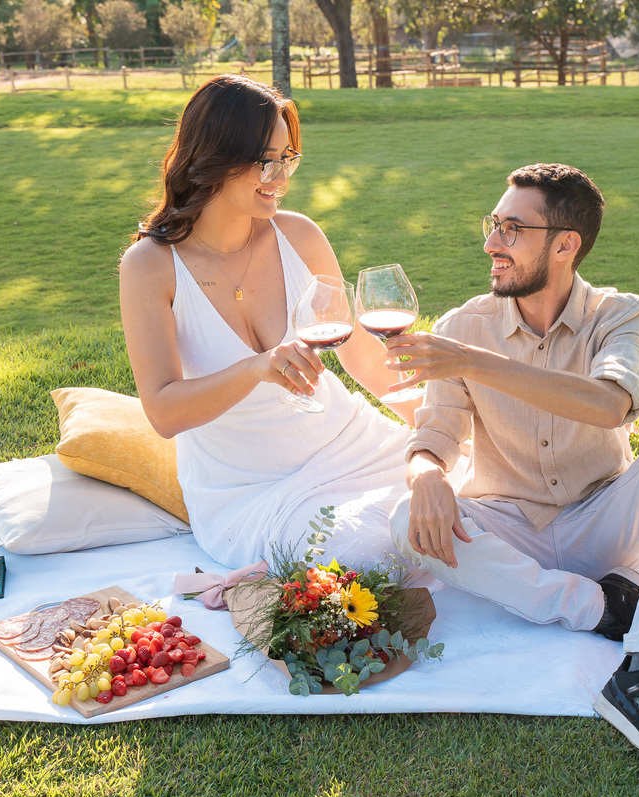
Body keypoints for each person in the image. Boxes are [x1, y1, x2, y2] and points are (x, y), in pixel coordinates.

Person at [385, 164, 639, 783]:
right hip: (511, 526)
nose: (492, 243)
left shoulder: (619, 313)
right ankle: (604, 609)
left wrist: (474, 363)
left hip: (604, 522)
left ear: (565, 244)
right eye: (494, 225)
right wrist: (426, 474)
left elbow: (609, 403)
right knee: (404, 519)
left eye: (513, 229)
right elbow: (433, 440)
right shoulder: (464, 326)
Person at [119, 74, 417, 569]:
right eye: (265, 160)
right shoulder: (150, 266)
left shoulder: (299, 235)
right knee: (371, 554)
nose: (280, 177)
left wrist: (435, 425)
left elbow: (364, 359)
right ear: (214, 157)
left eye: (287, 158)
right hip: (254, 492)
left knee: (472, 499)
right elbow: (164, 413)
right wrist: (256, 368)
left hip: (354, 445)